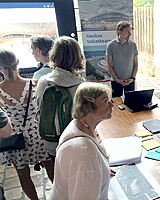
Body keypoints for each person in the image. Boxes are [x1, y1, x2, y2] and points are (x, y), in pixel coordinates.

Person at [0, 49, 53, 200]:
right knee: (50, 165)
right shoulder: (34, 84)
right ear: (17, 62)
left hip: (14, 137)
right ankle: (60, 195)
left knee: (23, 175)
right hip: (37, 132)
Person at [50, 82, 114, 200]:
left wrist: (101, 169)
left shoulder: (79, 125)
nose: (111, 104)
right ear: (88, 106)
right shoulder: (84, 152)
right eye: (105, 101)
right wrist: (91, 169)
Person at [36, 36, 86, 160]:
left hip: (51, 139)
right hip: (75, 139)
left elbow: (39, 107)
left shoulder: (43, 81)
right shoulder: (81, 85)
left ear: (53, 55)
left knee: (59, 171)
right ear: (78, 56)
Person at [106, 21, 138, 97]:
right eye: (127, 31)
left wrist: (132, 78)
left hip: (130, 81)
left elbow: (136, 64)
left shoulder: (133, 45)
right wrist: (117, 80)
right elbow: (109, 65)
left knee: (131, 103)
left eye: (130, 31)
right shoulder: (111, 45)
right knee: (116, 104)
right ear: (119, 31)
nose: (130, 33)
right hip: (116, 81)